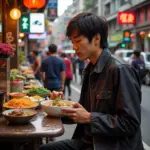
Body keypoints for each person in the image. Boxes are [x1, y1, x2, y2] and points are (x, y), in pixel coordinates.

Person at [40, 12, 144, 150]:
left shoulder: (120, 69)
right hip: (88, 142)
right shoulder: (90, 69)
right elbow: (81, 113)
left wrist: (90, 118)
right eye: (72, 42)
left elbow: (130, 123)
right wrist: (57, 106)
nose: (74, 47)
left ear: (96, 39)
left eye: (78, 41)